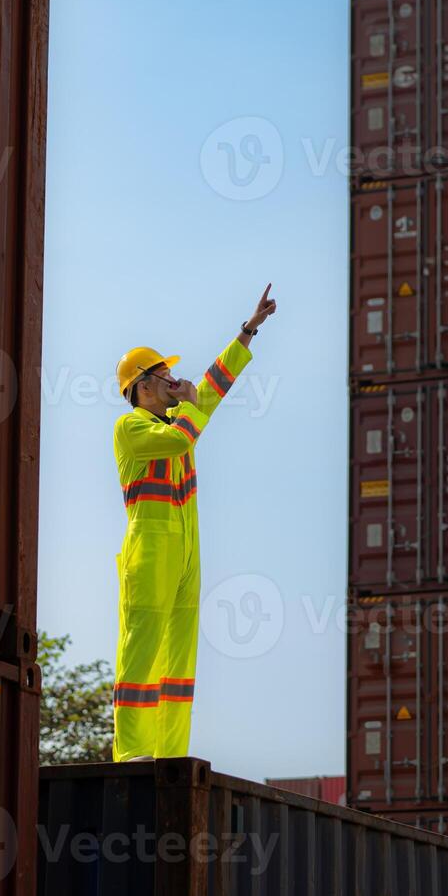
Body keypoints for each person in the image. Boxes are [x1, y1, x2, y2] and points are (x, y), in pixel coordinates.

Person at [109, 285, 277, 762]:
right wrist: (190, 403)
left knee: (179, 659)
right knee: (141, 650)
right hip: (150, 550)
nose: (174, 380)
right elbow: (185, 435)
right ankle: (132, 751)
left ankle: (169, 751)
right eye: (165, 376)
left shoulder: (179, 418)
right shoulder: (133, 428)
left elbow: (214, 385)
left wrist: (248, 330)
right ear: (142, 387)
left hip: (185, 551)